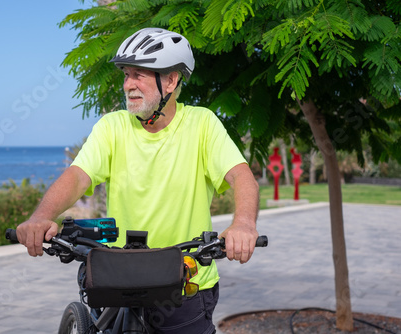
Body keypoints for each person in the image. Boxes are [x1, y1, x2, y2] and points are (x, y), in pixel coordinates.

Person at [16, 27, 260, 333]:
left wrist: (243, 224)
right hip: (122, 277)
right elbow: (78, 176)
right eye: (126, 74)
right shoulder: (112, 128)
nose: (128, 84)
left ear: (171, 80)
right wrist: (41, 217)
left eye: (139, 74)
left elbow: (241, 175)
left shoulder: (202, 124)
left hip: (183, 282)